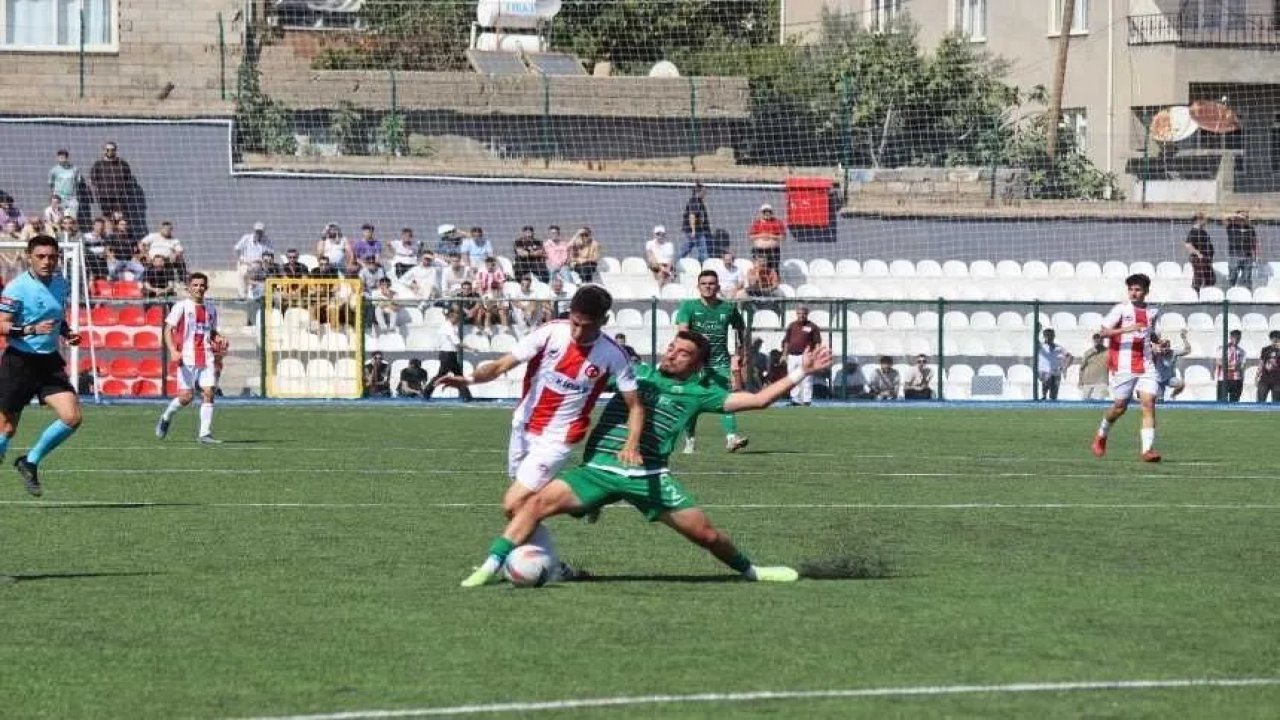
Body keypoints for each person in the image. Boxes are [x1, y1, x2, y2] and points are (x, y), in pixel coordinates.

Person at [459, 332, 833, 587]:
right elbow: (580, 378)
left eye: (682, 352)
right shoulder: (632, 373)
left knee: (707, 535)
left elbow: (759, 400)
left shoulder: (700, 394)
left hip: (650, 476)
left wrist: (802, 371)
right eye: (671, 347)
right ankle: (490, 568)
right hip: (599, 471)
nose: (671, 353)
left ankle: (752, 572)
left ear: (697, 365)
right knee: (532, 502)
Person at [439, 286, 642, 577]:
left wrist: (631, 443)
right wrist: (468, 379)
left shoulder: (613, 355)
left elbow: (635, 405)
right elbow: (501, 365)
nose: (578, 332)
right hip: (523, 426)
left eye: (586, 326)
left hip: (559, 437)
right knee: (516, 509)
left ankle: (522, 563)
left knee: (513, 502)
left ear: (603, 320)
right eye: (574, 322)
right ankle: (571, 530)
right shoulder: (550, 333)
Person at [0, 235, 84, 496]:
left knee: (72, 417)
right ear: (29, 257)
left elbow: (57, 317)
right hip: (19, 362)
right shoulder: (16, 288)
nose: (47, 261)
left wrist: (67, 333)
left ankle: (30, 461)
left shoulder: (61, 283)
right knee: (7, 428)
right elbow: (1, 325)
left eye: (52, 256)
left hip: (48, 362)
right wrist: (30, 329)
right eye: (41, 256)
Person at [674, 270, 748, 453]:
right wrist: (697, 338)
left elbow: (740, 329)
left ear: (718, 286)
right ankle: (690, 440)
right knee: (692, 403)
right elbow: (682, 333)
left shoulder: (728, 308)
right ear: (698, 286)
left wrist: (740, 352)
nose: (708, 286)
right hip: (694, 363)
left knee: (726, 398)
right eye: (704, 283)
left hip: (720, 362)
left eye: (711, 283)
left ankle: (732, 438)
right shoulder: (688, 306)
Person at [1092, 273, 1162, 462]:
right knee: (1119, 408)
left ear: (1146, 291)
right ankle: (1101, 434)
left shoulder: (1153, 311)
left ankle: (1147, 450)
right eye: (1131, 289)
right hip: (1123, 365)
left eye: (1138, 289)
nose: (1133, 293)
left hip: (1146, 364)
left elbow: (1150, 333)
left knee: (1148, 403)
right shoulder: (1121, 309)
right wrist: (1127, 329)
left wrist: (1160, 343)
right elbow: (1103, 333)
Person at [155, 272, 225, 444]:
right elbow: (167, 330)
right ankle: (166, 417)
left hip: (206, 356)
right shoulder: (181, 306)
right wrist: (173, 350)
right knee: (186, 397)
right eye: (195, 285)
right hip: (186, 357)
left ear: (206, 288)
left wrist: (219, 338)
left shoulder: (211, 309)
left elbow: (211, 331)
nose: (198, 288)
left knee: (209, 392)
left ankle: (204, 434)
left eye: (202, 285)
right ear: (189, 288)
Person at [422, 308, 472, 401]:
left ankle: (466, 396)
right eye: (456, 318)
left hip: (449, 354)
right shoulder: (448, 326)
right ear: (451, 317)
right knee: (442, 375)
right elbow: (456, 342)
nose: (457, 320)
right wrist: (471, 348)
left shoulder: (449, 326)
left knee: (457, 375)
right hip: (447, 354)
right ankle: (426, 392)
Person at [782, 305, 822, 405]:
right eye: (799, 314)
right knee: (793, 377)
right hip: (792, 355)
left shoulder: (812, 326)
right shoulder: (792, 325)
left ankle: (806, 399)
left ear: (807, 314)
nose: (802, 316)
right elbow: (787, 341)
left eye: (804, 314)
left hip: (806, 356)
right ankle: (795, 399)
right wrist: (784, 354)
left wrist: (815, 354)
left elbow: (817, 342)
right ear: (797, 314)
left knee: (807, 378)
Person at [89, 141, 136, 222]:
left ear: (115, 150)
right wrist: (99, 191)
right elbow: (92, 180)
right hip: (104, 197)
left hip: (119, 197)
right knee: (107, 218)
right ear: (104, 150)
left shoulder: (123, 164)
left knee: (119, 218)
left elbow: (128, 179)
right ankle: (110, 234)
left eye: (112, 149)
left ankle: (120, 234)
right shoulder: (98, 164)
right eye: (107, 149)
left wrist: (123, 192)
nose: (110, 152)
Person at [233, 222, 272, 300]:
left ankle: (256, 295)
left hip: (259, 264)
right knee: (243, 272)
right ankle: (242, 295)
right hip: (246, 262)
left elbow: (270, 254)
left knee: (262, 274)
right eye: (257, 231)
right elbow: (236, 249)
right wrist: (240, 260)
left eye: (260, 232)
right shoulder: (246, 238)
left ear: (263, 232)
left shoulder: (267, 240)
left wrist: (263, 261)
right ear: (253, 231)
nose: (258, 233)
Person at [1155, 330, 1192, 401]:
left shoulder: (1173, 352)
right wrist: (1157, 340)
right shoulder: (1157, 353)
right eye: (1163, 347)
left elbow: (1187, 351)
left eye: (1167, 347)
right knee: (1159, 400)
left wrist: (1184, 339)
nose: (1165, 349)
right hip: (1158, 380)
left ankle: (1173, 395)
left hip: (1169, 379)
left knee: (1181, 384)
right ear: (1160, 347)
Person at [747, 203, 785, 272]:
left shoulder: (777, 222)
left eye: (769, 212)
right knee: (758, 270)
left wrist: (770, 236)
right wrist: (762, 235)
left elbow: (782, 237)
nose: (767, 213)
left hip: (773, 251)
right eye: (765, 212)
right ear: (761, 213)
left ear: (772, 212)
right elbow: (751, 237)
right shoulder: (757, 223)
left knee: (774, 271)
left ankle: (774, 282)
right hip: (759, 251)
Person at [1037, 328, 1072, 401]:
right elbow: (1035, 341)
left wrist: (1065, 367)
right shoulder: (1041, 346)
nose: (1049, 337)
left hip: (1056, 373)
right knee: (1046, 386)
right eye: (1047, 335)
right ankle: (1043, 397)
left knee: (1053, 396)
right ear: (1044, 336)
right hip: (1044, 372)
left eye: (1051, 335)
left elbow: (1069, 356)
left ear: (1054, 336)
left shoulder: (1059, 347)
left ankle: (1051, 405)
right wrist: (1037, 331)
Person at [1225, 209, 1258, 288]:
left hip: (1248, 256)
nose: (1245, 218)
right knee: (1232, 277)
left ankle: (1247, 295)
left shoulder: (1250, 228)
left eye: (1247, 216)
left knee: (1247, 278)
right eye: (1243, 216)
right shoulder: (1231, 226)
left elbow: (1254, 242)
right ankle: (1230, 293)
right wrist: (1238, 216)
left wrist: (1256, 255)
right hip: (1234, 256)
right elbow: (1225, 217)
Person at [679, 182, 710, 263]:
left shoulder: (699, 201)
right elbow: (692, 215)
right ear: (698, 192)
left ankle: (674, 263)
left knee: (686, 249)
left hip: (697, 231)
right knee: (703, 252)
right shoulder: (694, 201)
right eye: (704, 192)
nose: (705, 194)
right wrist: (693, 230)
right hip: (695, 232)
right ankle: (705, 268)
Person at [1185, 212, 1215, 294]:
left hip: (1206, 259)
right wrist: (1198, 253)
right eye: (1205, 220)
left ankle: (1207, 294)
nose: (1206, 222)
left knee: (1210, 278)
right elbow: (1188, 245)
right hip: (1199, 259)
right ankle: (1195, 294)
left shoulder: (1203, 231)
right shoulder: (1194, 231)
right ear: (1199, 220)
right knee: (1199, 277)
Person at [48, 149, 83, 220]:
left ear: (67, 158)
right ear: (57, 158)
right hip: (59, 199)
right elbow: (51, 185)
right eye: (60, 157)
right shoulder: (54, 170)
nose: (61, 159)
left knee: (72, 219)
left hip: (71, 198)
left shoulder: (75, 169)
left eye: (63, 157)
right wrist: (53, 198)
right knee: (58, 219)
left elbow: (78, 182)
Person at [1214, 329, 1246, 403]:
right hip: (1223, 378)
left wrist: (1228, 366)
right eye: (1235, 338)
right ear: (1230, 338)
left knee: (1234, 401)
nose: (1237, 340)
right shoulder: (1222, 349)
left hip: (1236, 378)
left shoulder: (1242, 351)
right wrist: (1232, 366)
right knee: (1220, 401)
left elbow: (1241, 366)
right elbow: (1219, 362)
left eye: (1238, 338)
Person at [1077, 333, 1110, 401]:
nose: (1098, 342)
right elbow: (1082, 368)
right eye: (1096, 340)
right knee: (1085, 404)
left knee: (1099, 403)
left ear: (1103, 341)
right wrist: (1080, 381)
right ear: (1093, 341)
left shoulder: (1108, 352)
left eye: (1100, 340)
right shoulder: (1088, 353)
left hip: (1101, 382)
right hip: (1087, 383)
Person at [1258, 330, 1280, 403]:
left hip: (1278, 380)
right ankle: (1260, 414)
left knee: (1276, 402)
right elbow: (1261, 363)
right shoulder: (1265, 349)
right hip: (1265, 378)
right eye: (1273, 338)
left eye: (1277, 338)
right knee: (1260, 401)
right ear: (1270, 339)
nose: (1275, 340)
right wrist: (1257, 376)